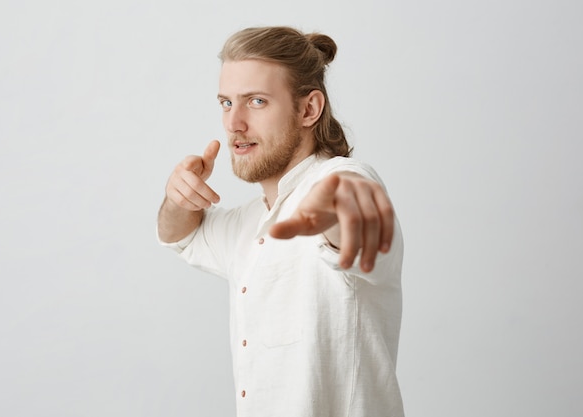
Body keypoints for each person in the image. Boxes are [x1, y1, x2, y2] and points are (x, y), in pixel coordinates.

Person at [157, 26, 404, 417]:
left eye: (256, 101)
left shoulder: (343, 178)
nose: (233, 123)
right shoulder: (250, 222)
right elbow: (180, 238)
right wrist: (177, 199)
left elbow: (353, 210)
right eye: (226, 102)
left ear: (309, 109)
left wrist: (337, 204)